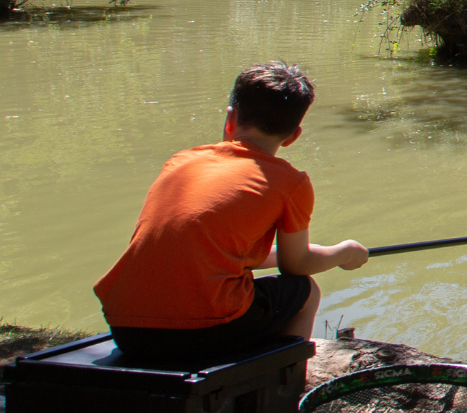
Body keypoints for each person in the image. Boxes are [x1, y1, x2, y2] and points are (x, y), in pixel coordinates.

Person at [94, 61, 368, 364]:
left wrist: (299, 253)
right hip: (201, 334)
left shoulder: (181, 162)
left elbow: (207, 250)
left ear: (230, 118)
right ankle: (284, 386)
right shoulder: (290, 182)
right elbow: (296, 266)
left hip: (126, 329)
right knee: (305, 291)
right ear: (293, 136)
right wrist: (344, 252)